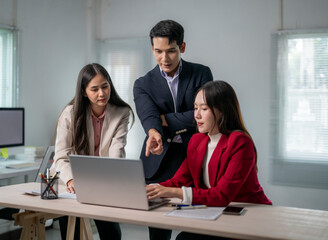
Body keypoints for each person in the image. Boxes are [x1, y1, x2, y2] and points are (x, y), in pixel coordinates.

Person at [146, 80, 272, 240]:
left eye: (204, 109)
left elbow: (222, 195)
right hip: (219, 213)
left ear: (222, 111)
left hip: (249, 215)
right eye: (195, 108)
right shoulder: (197, 140)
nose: (197, 115)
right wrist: (148, 189)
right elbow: (179, 181)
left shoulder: (240, 142)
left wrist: (173, 192)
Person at [133, 19, 213, 240]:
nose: (164, 58)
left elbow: (204, 115)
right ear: (152, 49)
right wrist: (154, 131)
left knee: (201, 227)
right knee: (158, 232)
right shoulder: (143, 83)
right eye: (158, 51)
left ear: (182, 47)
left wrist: (165, 120)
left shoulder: (201, 74)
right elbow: (148, 115)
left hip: (196, 160)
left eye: (171, 51)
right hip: (159, 162)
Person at [52, 63, 134, 240]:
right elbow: (60, 156)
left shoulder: (121, 113)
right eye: (94, 89)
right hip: (69, 182)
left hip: (102, 181)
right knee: (71, 234)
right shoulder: (70, 113)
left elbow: (116, 153)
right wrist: (71, 179)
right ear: (83, 92)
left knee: (112, 234)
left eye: (105, 86)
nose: (102, 93)